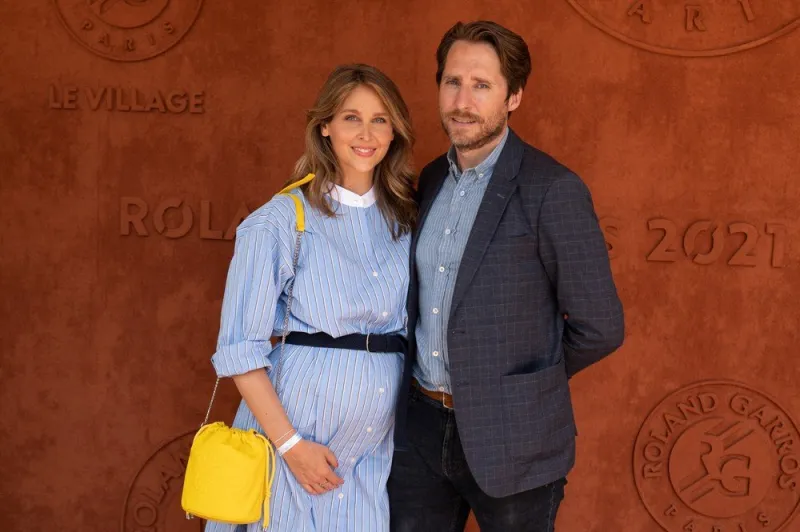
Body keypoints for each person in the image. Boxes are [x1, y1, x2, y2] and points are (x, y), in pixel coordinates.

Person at [388, 21, 625, 532]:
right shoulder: (430, 179)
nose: (462, 102)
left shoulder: (552, 189)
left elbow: (601, 326)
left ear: (513, 96)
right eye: (452, 82)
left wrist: (520, 389)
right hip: (420, 433)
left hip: (516, 440)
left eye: (482, 85)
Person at [204, 63, 417, 532]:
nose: (366, 134)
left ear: (395, 130)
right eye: (351, 118)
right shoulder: (281, 220)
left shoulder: (406, 221)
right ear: (325, 127)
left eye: (380, 119)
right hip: (293, 443)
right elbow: (239, 351)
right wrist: (291, 446)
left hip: (371, 453)